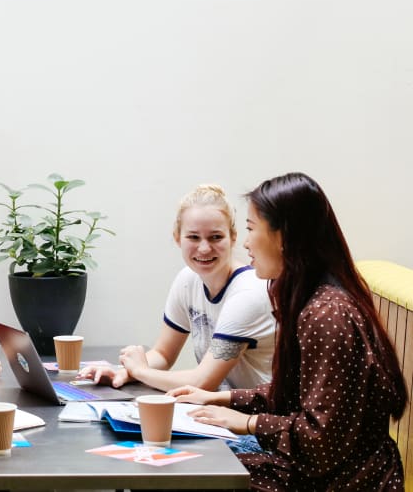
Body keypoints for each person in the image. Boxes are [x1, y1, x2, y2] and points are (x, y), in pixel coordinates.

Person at [173, 172, 408, 490]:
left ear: (284, 237)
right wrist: (223, 398)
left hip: (346, 481)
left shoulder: (329, 315)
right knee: (183, 464)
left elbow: (320, 441)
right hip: (324, 471)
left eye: (251, 229)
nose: (245, 242)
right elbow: (294, 391)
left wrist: (248, 423)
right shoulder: (311, 298)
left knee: (184, 474)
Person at [79, 184, 276, 393]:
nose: (204, 248)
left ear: (233, 237)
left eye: (216, 237)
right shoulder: (187, 280)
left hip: (257, 416)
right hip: (217, 407)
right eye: (193, 237)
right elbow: (163, 354)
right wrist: (122, 372)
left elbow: (203, 381)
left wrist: (140, 371)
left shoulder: (248, 294)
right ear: (177, 237)